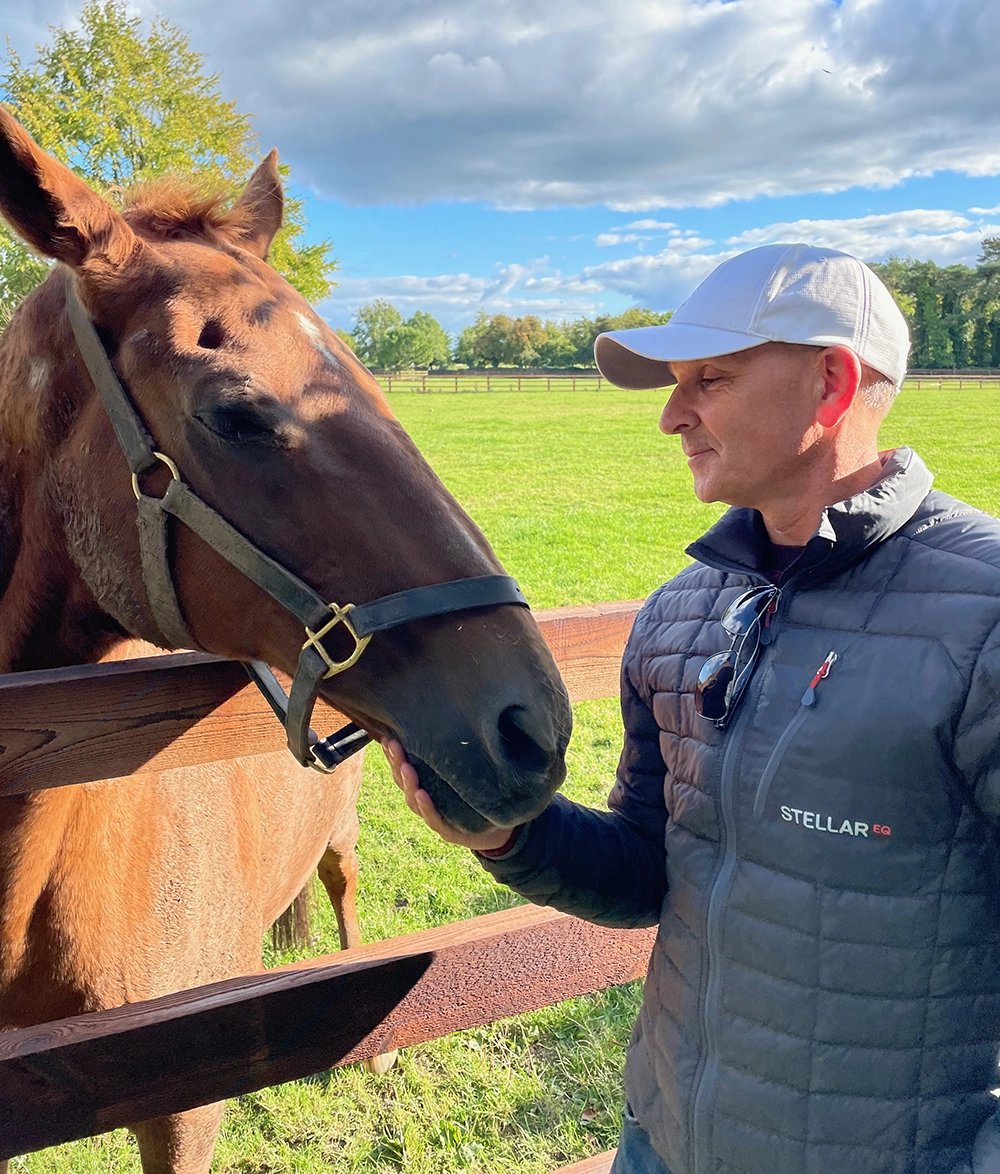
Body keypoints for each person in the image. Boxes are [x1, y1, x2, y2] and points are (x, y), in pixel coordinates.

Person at [383, 243, 1000, 1174]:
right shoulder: (679, 616)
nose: (673, 416)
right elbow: (646, 874)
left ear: (831, 382)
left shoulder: (983, 616)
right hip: (662, 1142)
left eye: (709, 379)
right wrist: (511, 836)